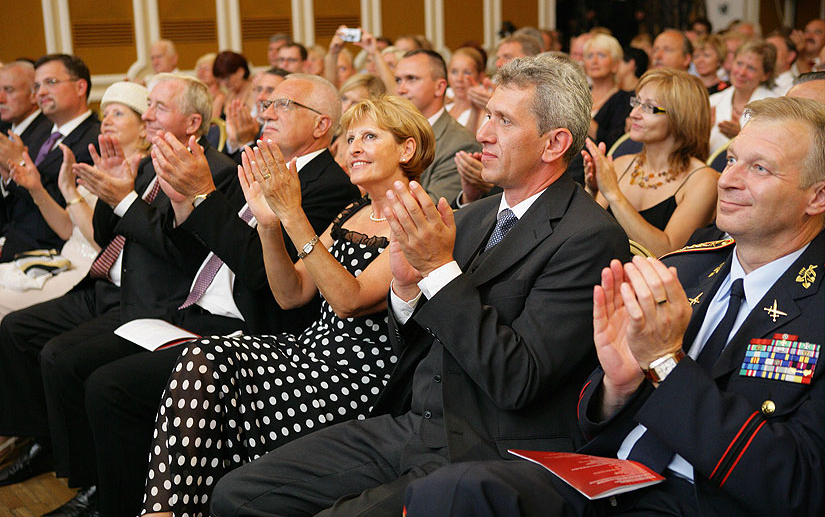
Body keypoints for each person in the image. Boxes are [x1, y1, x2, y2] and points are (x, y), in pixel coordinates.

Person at [209, 53, 631, 517]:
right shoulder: (471, 217)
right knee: (237, 494)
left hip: (492, 447)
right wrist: (406, 293)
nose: (483, 133)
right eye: (487, 114)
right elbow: (413, 344)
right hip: (419, 425)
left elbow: (518, 379)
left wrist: (437, 269)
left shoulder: (588, 236)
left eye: (503, 121)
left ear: (554, 143)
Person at [402, 96, 825, 517]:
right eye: (731, 160)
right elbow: (592, 418)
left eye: (760, 168)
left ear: (817, 197)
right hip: (611, 480)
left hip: (701, 501)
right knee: (449, 492)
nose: (728, 180)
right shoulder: (688, 269)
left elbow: (797, 484)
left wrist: (665, 366)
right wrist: (616, 389)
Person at [80, 73, 360, 517]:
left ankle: (129, 504)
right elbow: (191, 251)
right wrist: (182, 201)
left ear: (321, 125)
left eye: (283, 105)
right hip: (190, 308)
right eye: (267, 103)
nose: (266, 111)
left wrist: (204, 194)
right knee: (80, 363)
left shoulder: (329, 187)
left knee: (109, 387)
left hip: (248, 329)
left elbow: (264, 276)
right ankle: (106, 490)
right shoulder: (257, 166)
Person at [140, 95, 434, 517]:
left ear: (406, 149)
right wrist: (268, 223)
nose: (353, 147)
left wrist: (293, 213)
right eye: (349, 138)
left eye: (369, 136)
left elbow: (349, 301)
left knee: (212, 377)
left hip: (359, 379)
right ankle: (166, 512)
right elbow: (291, 292)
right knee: (201, 357)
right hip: (309, 353)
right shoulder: (354, 212)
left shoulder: (423, 216)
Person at [0, 74, 237, 514]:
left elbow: (179, 253)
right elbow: (108, 233)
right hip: (127, 293)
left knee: (81, 369)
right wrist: (111, 194)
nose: (147, 115)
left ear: (193, 122)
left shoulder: (218, 173)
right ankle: (73, 467)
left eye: (158, 108)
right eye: (147, 107)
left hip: (167, 307)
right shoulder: (148, 164)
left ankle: (107, 490)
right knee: (46, 348)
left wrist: (125, 199)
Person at [0, 82, 149, 317]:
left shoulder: (143, 174)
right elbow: (67, 229)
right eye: (106, 114)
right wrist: (37, 187)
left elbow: (104, 244)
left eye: (118, 114)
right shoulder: (98, 164)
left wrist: (71, 193)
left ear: (144, 127)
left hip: (92, 274)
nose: (107, 121)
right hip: (62, 261)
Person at [584, 68, 718, 257]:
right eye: (636, 102)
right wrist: (591, 191)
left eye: (648, 107)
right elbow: (586, 236)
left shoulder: (703, 179)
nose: (633, 114)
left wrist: (613, 193)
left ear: (680, 117)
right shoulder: (622, 164)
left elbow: (666, 252)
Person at [0, 54, 99, 260]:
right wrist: (8, 174)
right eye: (37, 86)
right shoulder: (41, 134)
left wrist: (19, 164)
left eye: (51, 83)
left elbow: (70, 207)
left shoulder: (95, 139)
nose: (41, 92)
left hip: (51, 252)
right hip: (14, 240)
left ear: (80, 87)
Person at [394, 49, 481, 203]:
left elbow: (431, 209)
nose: (401, 89)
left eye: (411, 79)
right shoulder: (392, 133)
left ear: (439, 87)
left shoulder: (460, 144)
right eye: (398, 80)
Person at [709, 39, 778, 153]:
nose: (741, 72)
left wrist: (741, 135)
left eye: (751, 68)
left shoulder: (774, 106)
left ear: (766, 75)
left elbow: (775, 150)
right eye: (739, 63)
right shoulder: (713, 101)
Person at [330, 73, 387, 171]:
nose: (346, 108)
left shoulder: (369, 147)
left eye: (356, 103)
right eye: (344, 98)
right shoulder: (330, 138)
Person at [584, 34, 633, 149]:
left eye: (601, 55)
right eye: (590, 56)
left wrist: (580, 116)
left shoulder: (625, 100)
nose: (594, 61)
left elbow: (614, 142)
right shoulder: (580, 95)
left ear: (615, 64)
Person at [445, 47, 485, 130]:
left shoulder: (485, 114)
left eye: (467, 73)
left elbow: (470, 142)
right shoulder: (444, 104)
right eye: (454, 72)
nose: (459, 79)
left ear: (480, 76)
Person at [213, 51, 254, 117]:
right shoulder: (229, 94)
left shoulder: (255, 92)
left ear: (240, 72)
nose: (223, 84)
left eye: (227, 78)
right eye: (220, 80)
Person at [194, 53, 226, 121]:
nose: (201, 72)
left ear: (217, 72)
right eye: (199, 69)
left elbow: (212, 122)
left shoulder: (220, 97)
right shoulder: (196, 96)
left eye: (206, 69)